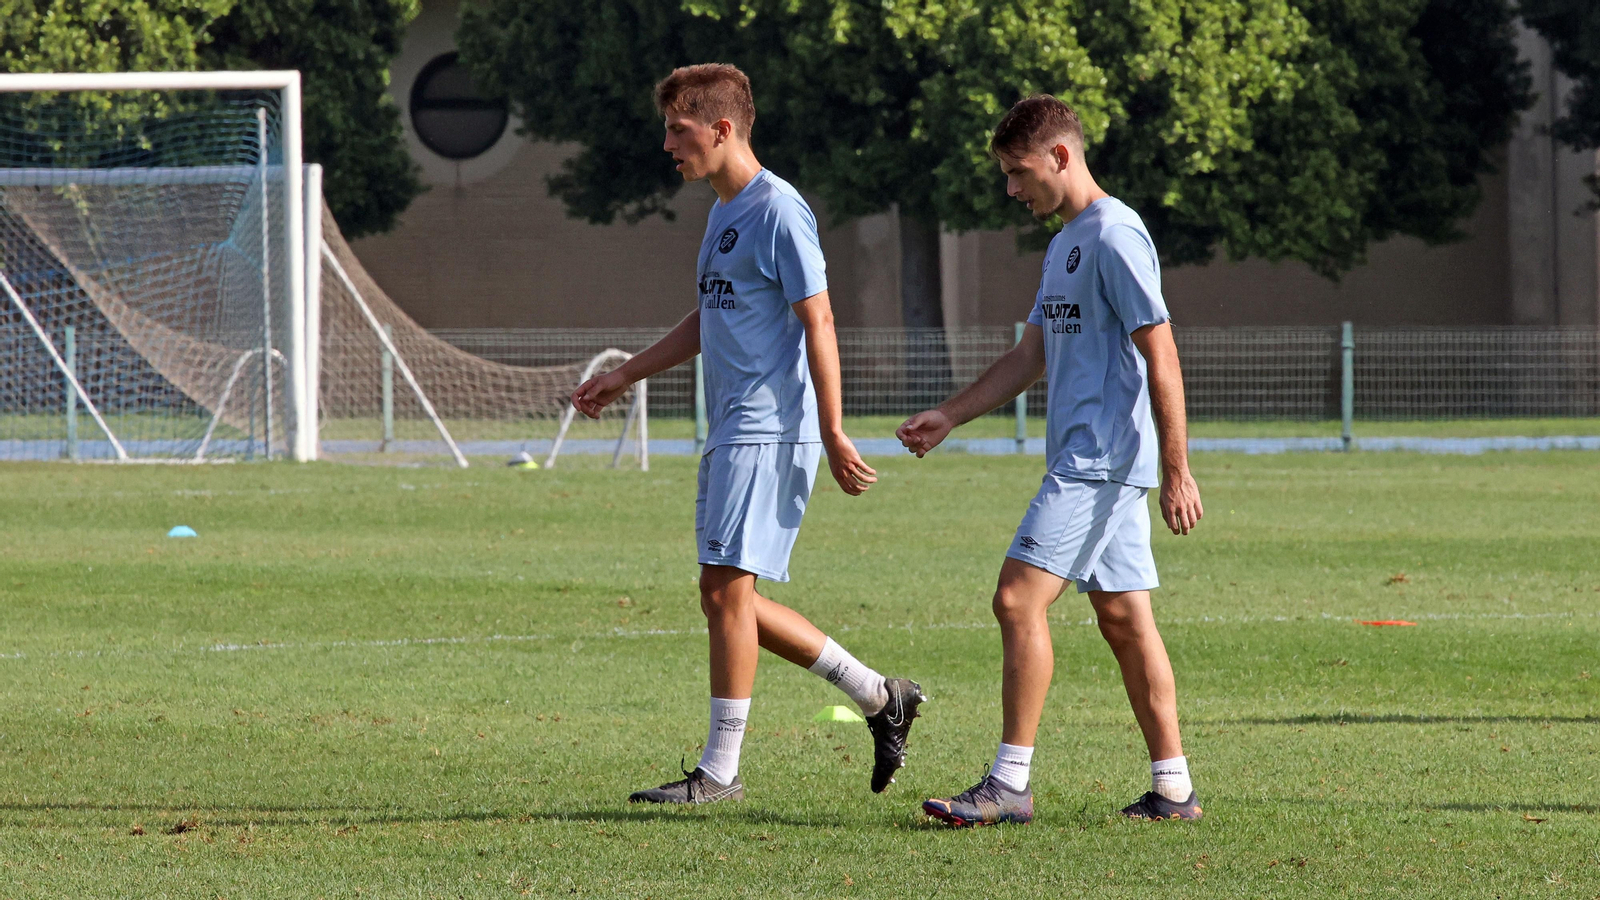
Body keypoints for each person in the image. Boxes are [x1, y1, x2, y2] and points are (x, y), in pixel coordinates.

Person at [572, 63, 925, 805]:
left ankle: (720, 773)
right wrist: (626, 374)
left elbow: (819, 318)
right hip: (734, 428)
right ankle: (878, 695)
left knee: (728, 592)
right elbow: (712, 317)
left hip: (769, 429)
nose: (668, 144)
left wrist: (831, 428)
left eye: (679, 129)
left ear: (722, 129)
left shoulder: (778, 210)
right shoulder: (722, 212)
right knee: (723, 596)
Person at [897, 95, 1204, 827]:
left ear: (1060, 157)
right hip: (1092, 461)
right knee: (1126, 621)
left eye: (1017, 171)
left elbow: (1161, 353)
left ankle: (1009, 784)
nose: (1010, 188)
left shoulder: (1115, 235)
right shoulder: (1066, 242)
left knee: (1016, 600)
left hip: (1098, 464)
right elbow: (1029, 356)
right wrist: (950, 415)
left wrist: (1178, 467)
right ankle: (1174, 790)